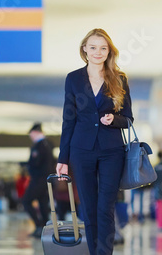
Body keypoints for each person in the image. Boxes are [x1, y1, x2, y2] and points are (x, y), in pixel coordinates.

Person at [56, 28, 133, 255]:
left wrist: (114, 119)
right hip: (82, 150)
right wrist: (63, 158)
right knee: (88, 208)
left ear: (109, 51)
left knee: (105, 207)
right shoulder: (73, 79)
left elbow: (128, 119)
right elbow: (68, 120)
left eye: (103, 48)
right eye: (93, 47)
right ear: (84, 50)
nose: (98, 52)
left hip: (112, 150)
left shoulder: (119, 79)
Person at [23, 123, 55, 238]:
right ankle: (43, 228)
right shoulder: (47, 144)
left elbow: (36, 163)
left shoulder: (40, 146)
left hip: (39, 180)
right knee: (42, 203)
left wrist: (27, 165)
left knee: (26, 201)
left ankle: (39, 225)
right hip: (44, 180)